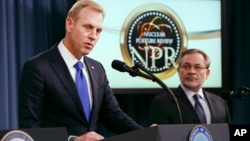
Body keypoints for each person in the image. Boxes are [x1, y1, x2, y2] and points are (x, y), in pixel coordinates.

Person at [18, 0, 143, 141]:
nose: (93, 36)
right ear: (69, 24)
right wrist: (73, 140)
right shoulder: (38, 67)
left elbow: (113, 115)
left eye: (98, 30)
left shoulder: (97, 69)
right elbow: (30, 128)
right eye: (88, 27)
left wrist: (148, 133)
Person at [148, 48, 231, 125]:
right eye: (186, 66)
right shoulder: (163, 102)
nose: (191, 71)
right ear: (179, 71)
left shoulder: (219, 103)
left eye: (197, 67)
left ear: (207, 73)